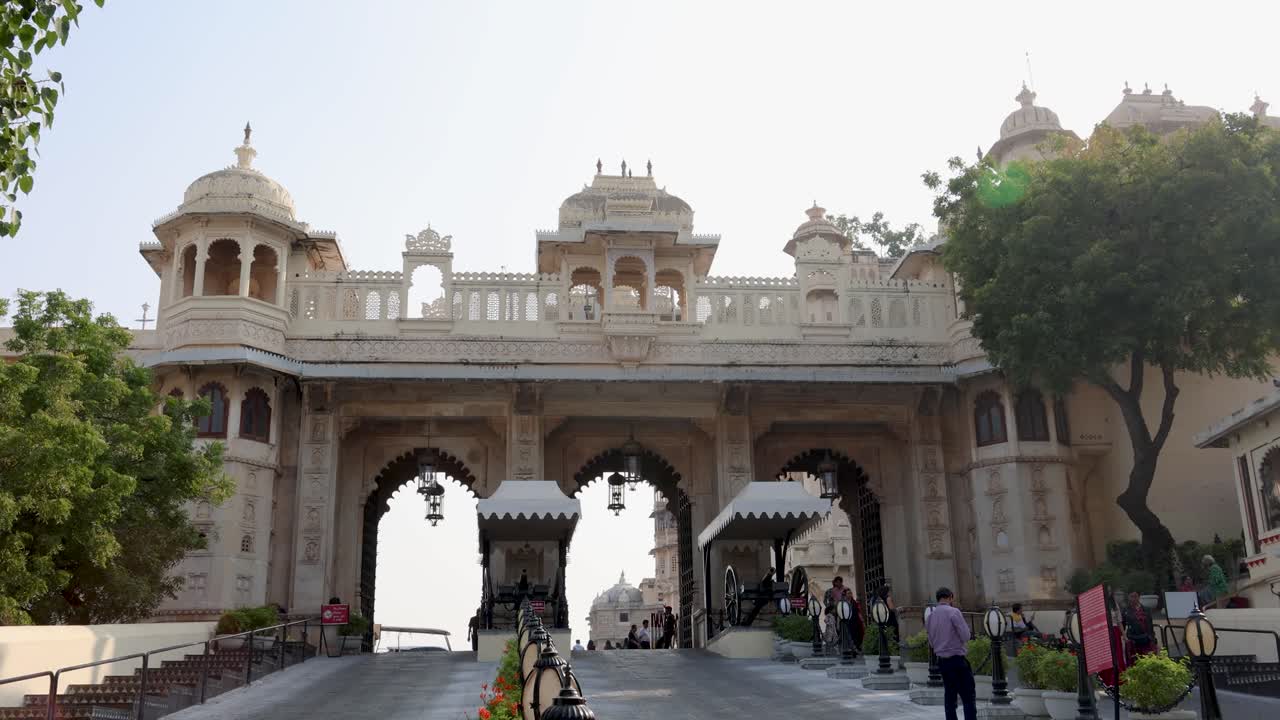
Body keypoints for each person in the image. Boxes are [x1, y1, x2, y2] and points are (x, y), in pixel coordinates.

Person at [926, 587, 977, 720]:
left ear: (938, 599)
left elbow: (931, 642)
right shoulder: (954, 612)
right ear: (950, 597)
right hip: (957, 660)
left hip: (942, 662)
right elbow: (966, 636)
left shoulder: (930, 617)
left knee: (949, 696)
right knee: (968, 696)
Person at [1121, 592, 1157, 663]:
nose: (1133, 598)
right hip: (1132, 639)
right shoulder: (1125, 610)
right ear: (1128, 597)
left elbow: (1150, 625)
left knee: (1148, 660)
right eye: (1131, 596)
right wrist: (1125, 637)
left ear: (1139, 597)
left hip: (1146, 639)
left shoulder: (1146, 609)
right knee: (1133, 661)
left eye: (1135, 596)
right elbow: (1122, 625)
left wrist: (1153, 639)